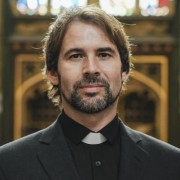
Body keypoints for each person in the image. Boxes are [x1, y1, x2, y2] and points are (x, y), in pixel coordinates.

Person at [0, 6, 180, 180]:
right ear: (53, 73)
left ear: (124, 70)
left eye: (103, 54)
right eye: (76, 56)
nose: (91, 69)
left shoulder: (172, 164)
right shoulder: (8, 164)